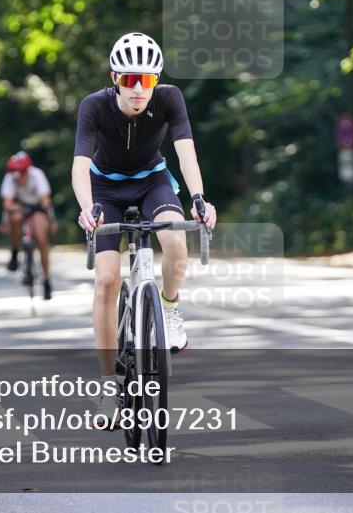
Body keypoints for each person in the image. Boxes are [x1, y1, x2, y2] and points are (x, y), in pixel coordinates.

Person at [72, 32, 217, 424]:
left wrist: (200, 198)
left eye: (148, 80)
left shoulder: (170, 99)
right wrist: (88, 209)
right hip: (106, 187)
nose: (139, 89)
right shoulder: (94, 106)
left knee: (175, 240)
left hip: (154, 181)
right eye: (130, 79)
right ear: (114, 78)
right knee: (106, 280)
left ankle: (168, 308)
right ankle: (107, 387)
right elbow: (80, 166)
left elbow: (187, 155)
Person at [0, 151, 56, 300]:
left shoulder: (37, 175)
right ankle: (15, 251)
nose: (19, 176)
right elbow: (7, 202)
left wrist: (49, 219)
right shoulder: (10, 177)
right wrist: (10, 211)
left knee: (41, 237)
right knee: (15, 218)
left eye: (22, 172)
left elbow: (45, 199)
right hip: (19, 207)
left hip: (36, 207)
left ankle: (46, 279)